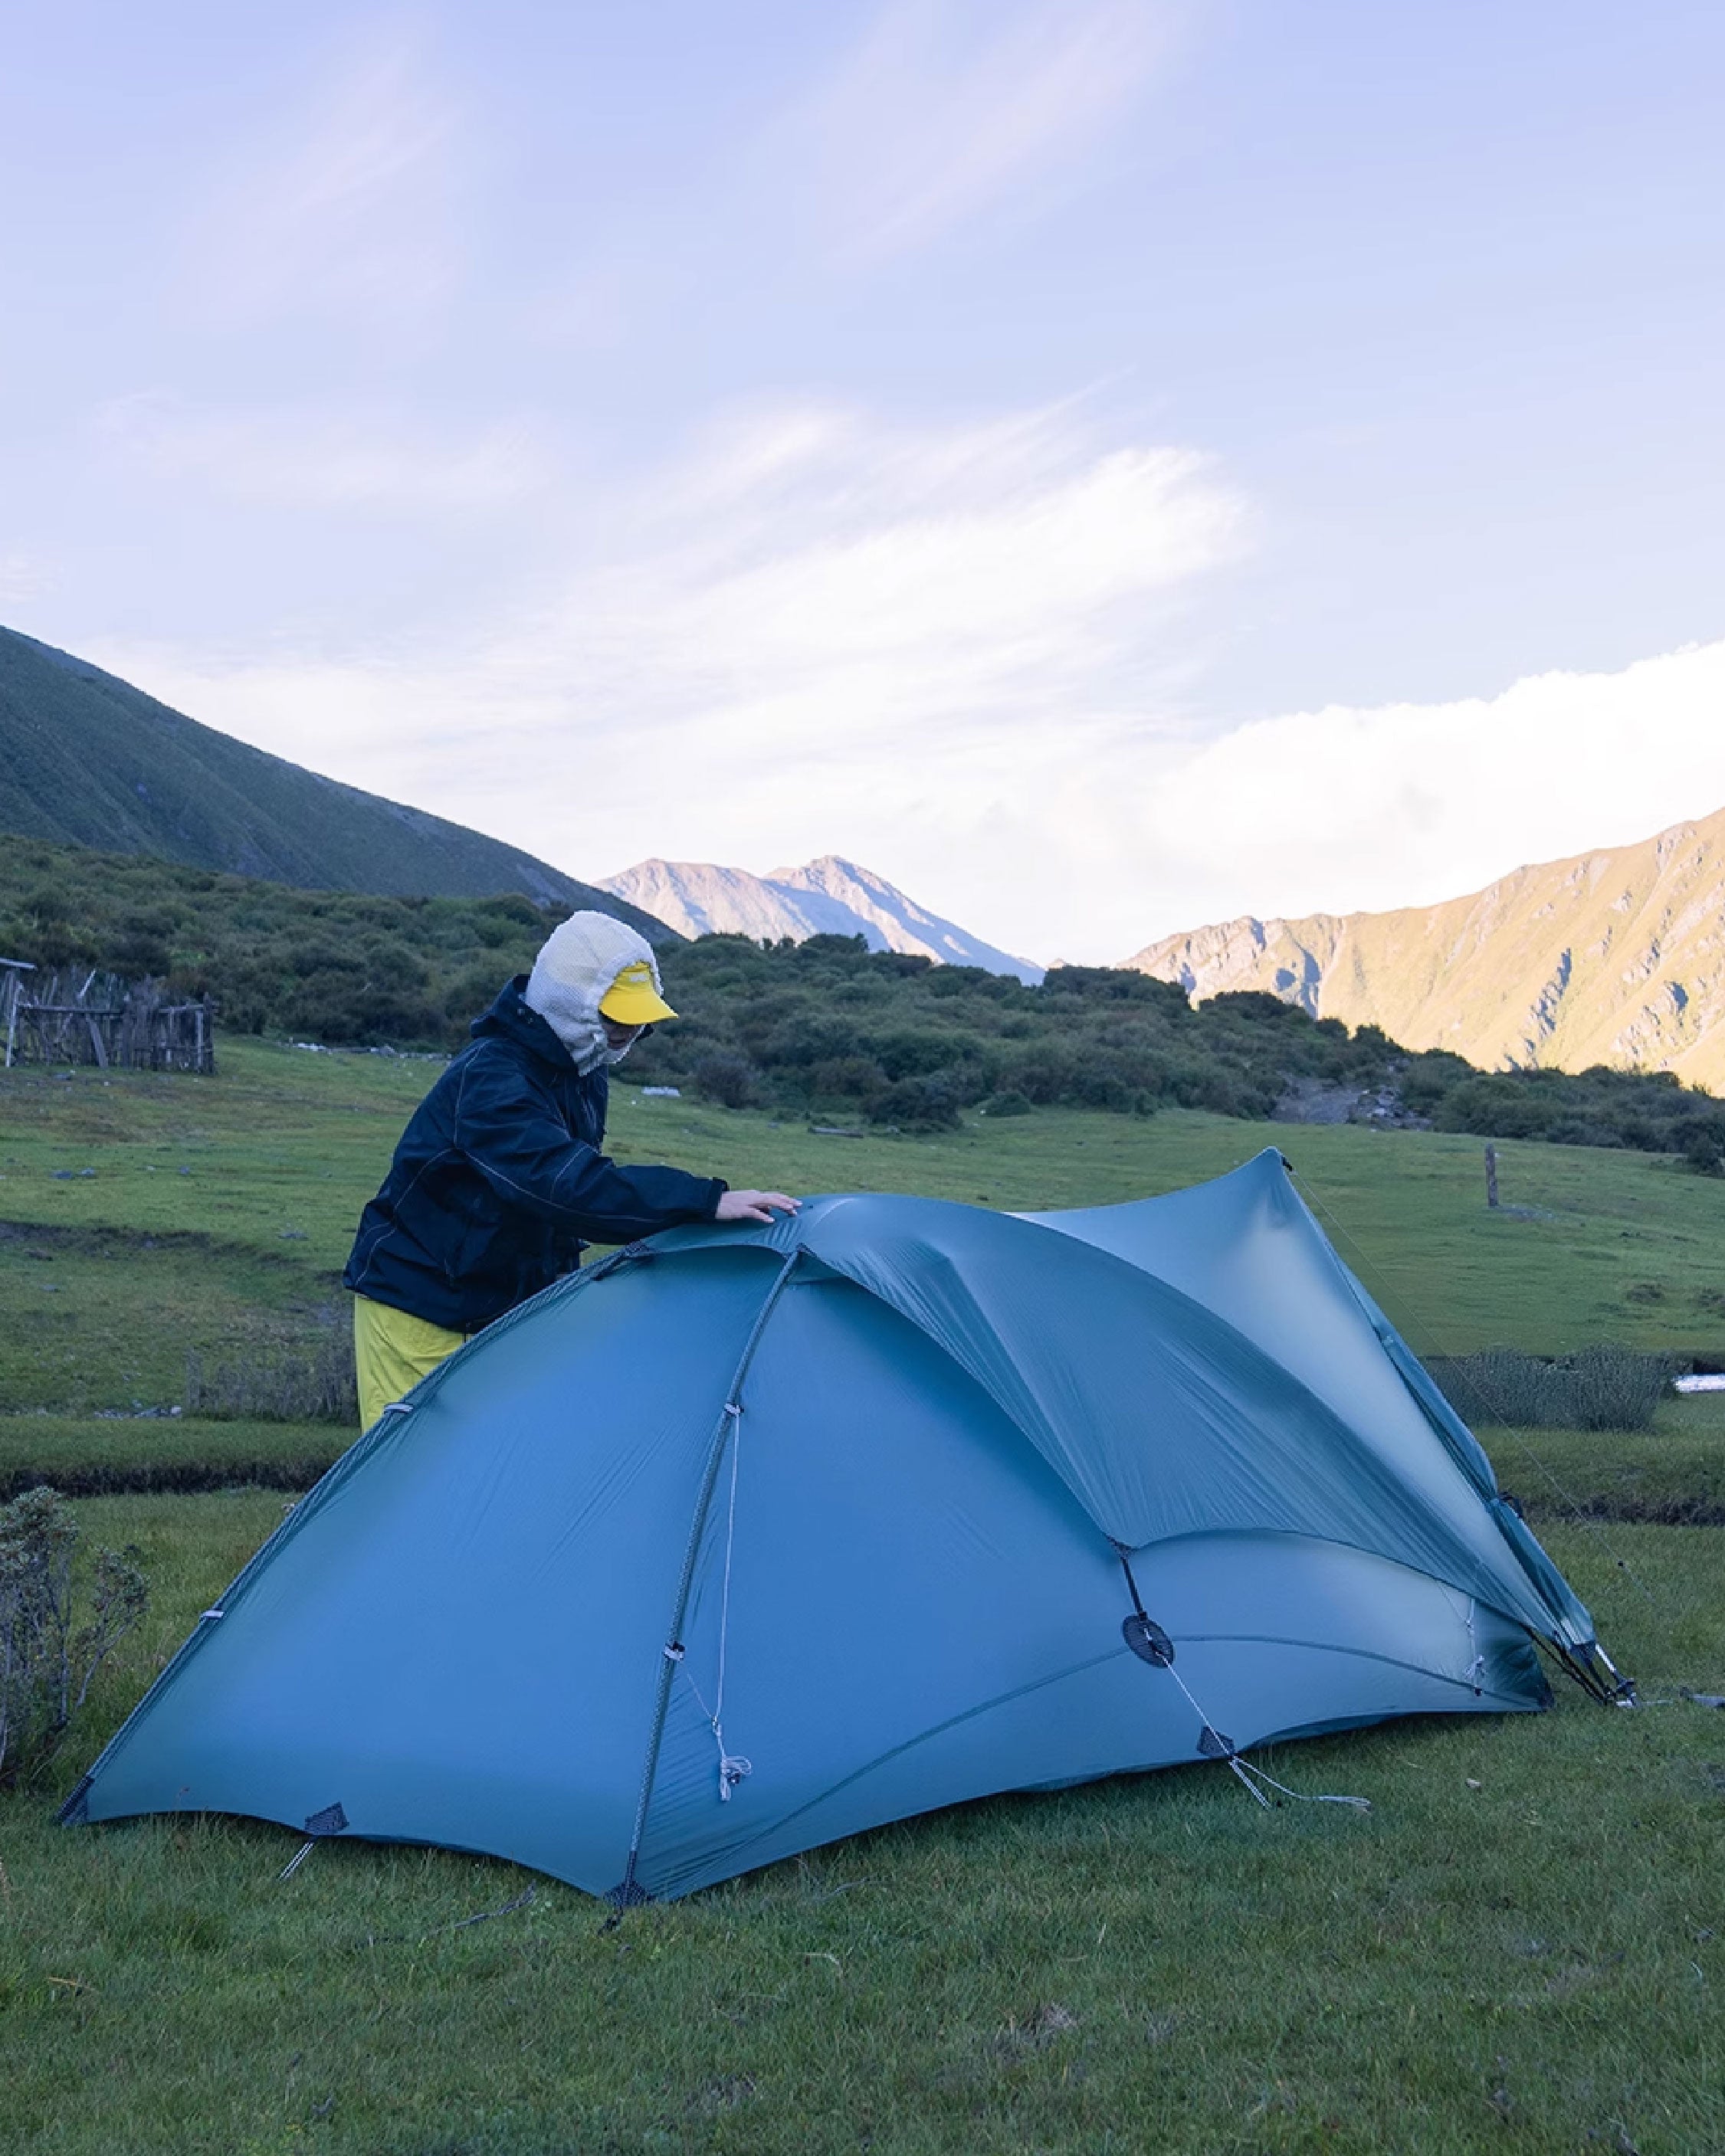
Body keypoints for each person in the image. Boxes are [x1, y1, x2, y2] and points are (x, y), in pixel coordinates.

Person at [343, 910, 797, 1429]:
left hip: (499, 1306)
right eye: (616, 1016)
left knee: (497, 1473)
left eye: (639, 1017)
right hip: (420, 1307)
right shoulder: (492, 1077)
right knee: (410, 1478)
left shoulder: (581, 1068)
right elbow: (560, 1185)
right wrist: (703, 1201)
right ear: (568, 1002)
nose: (630, 1032)